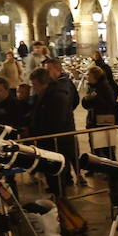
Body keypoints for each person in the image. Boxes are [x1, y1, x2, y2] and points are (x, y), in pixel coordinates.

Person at [27, 66, 73, 197]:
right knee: (52, 178)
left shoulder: (58, 97)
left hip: (58, 144)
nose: (33, 88)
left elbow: (56, 122)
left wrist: (36, 131)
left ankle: (63, 209)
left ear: (44, 84)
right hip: (47, 143)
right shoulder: (43, 95)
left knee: (58, 180)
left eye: (35, 85)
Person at [81, 65, 118, 160]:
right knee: (94, 146)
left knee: (107, 148)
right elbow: (85, 104)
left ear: (95, 77)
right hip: (93, 121)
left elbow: (110, 104)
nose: (87, 77)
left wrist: (95, 98)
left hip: (103, 122)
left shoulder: (105, 87)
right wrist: (87, 99)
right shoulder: (91, 87)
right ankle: (95, 165)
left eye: (89, 75)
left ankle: (112, 169)